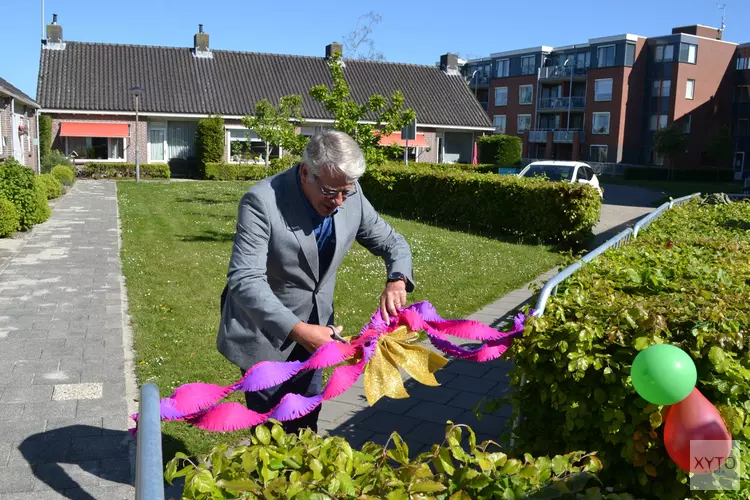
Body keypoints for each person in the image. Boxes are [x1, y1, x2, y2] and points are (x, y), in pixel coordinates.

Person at [217, 130, 415, 434]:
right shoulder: (262, 201)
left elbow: (392, 242)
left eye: (345, 192)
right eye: (328, 191)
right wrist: (299, 330)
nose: (338, 201)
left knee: (308, 417)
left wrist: (397, 279)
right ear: (306, 171)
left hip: (318, 332)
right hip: (267, 334)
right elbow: (245, 279)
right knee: (274, 430)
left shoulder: (350, 194)